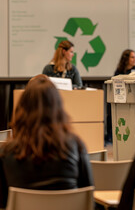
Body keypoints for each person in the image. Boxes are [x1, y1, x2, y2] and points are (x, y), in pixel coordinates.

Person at [0, 75, 93, 209]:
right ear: (58, 108)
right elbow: (88, 198)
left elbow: (3, 204)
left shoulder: (5, 152)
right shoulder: (75, 146)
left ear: (21, 109)